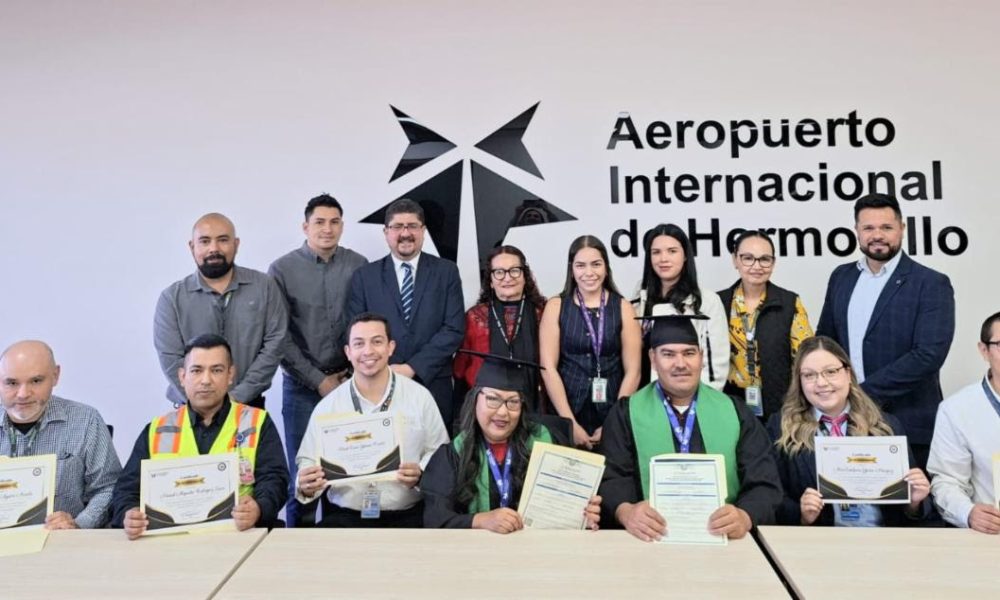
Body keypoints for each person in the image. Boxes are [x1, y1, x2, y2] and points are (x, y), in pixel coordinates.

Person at [600, 315, 782, 542]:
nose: (680, 363)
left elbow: (764, 481)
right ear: (653, 359)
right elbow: (611, 478)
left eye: (689, 353)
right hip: (648, 541)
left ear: (701, 358)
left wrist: (744, 517)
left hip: (722, 541)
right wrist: (626, 512)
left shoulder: (735, 412)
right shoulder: (626, 413)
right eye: (668, 354)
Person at [817, 193, 955, 469]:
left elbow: (928, 355)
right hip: (845, 423)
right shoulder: (841, 277)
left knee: (913, 498)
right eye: (868, 227)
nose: (877, 235)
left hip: (908, 424)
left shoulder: (931, 283)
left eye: (886, 227)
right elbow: (825, 343)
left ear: (902, 229)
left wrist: (860, 395)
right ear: (857, 231)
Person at [112, 334, 288, 538]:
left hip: (238, 536)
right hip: (171, 542)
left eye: (216, 370)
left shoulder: (256, 422)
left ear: (230, 375)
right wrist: (129, 514)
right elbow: (126, 490)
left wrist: (259, 508)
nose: (206, 380)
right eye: (196, 370)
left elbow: (275, 480)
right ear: (182, 376)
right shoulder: (157, 429)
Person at [294, 313, 448, 527]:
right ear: (348, 352)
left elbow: (440, 453)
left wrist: (421, 473)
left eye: (377, 342)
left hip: (408, 517)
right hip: (345, 518)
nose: (368, 351)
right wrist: (306, 483)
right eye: (359, 343)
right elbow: (308, 462)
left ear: (390, 347)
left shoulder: (419, 398)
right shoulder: (328, 406)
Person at [268, 194, 368, 525]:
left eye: (334, 222)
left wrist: (349, 374)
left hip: (350, 384)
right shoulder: (282, 270)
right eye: (319, 222)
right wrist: (318, 380)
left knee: (347, 470)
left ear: (342, 226)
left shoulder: (358, 264)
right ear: (305, 226)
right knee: (304, 478)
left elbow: (365, 324)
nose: (327, 229)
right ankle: (299, 545)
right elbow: (279, 336)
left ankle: (340, 541)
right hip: (302, 388)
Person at [422, 353, 600, 532]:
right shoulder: (454, 454)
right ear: (475, 399)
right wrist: (480, 520)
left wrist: (582, 516)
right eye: (493, 399)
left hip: (535, 546)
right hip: (477, 548)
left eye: (513, 402)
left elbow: (566, 507)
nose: (502, 412)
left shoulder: (547, 443)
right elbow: (435, 517)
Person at [768, 335, 930, 527]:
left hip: (881, 536)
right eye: (809, 375)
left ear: (848, 373)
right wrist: (801, 515)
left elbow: (908, 512)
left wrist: (914, 502)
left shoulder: (886, 425)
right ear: (799, 382)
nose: (821, 382)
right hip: (820, 538)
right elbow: (773, 496)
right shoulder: (781, 427)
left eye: (831, 372)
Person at [348, 199, 464, 431]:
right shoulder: (364, 276)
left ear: (423, 230)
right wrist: (387, 369)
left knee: (436, 451)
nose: (405, 233)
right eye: (397, 226)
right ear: (386, 232)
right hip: (379, 383)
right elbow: (355, 332)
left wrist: (412, 368)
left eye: (412, 226)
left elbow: (453, 329)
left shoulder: (446, 272)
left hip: (433, 382)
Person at [154, 212, 288, 408]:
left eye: (223, 240)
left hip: (249, 406)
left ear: (236, 244)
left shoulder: (264, 287)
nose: (214, 248)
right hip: (191, 409)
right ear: (192, 247)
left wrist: (236, 398)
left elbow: (274, 345)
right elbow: (171, 359)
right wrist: (204, 400)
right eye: (205, 241)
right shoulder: (172, 298)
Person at [0, 340, 121, 529]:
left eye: (36, 381)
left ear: (55, 376)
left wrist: (79, 524)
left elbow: (108, 487)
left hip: (63, 539)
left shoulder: (85, 420)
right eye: (12, 383)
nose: (23, 394)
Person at [539, 235, 641, 450]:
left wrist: (614, 422)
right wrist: (569, 423)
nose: (589, 272)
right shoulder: (556, 305)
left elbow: (634, 371)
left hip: (612, 410)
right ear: (571, 270)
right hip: (565, 409)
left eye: (596, 264)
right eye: (580, 265)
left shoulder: (623, 307)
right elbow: (548, 367)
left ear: (606, 267)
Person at [718, 230, 813, 420]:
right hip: (729, 406)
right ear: (735, 260)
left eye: (764, 259)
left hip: (781, 407)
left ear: (773, 263)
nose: (757, 266)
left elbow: (806, 357)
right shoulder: (718, 303)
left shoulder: (789, 302)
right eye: (748, 258)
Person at [927, 311, 1000, 533]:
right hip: (991, 534)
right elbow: (946, 481)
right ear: (984, 350)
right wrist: (968, 512)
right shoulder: (957, 409)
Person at [633, 224, 728, 390]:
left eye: (672, 251)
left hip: (688, 399)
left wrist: (695, 403)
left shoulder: (708, 301)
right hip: (643, 396)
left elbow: (715, 370)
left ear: (685, 256)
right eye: (656, 252)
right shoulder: (640, 297)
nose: (663, 258)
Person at [453, 245, 546, 408]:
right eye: (499, 272)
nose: (507, 278)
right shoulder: (474, 317)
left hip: (536, 404)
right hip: (485, 405)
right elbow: (460, 369)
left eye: (514, 270)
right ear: (490, 281)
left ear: (525, 276)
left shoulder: (544, 314)